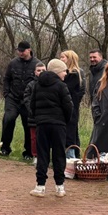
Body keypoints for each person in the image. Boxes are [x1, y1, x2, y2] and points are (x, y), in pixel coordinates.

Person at [30, 58, 73, 197]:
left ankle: (40, 186)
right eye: (64, 71)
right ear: (57, 71)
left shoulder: (37, 85)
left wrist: (38, 118)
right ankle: (60, 186)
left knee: (42, 154)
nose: (65, 73)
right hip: (58, 125)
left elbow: (32, 105)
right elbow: (68, 106)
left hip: (42, 124)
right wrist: (64, 120)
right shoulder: (61, 86)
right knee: (59, 154)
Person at [0, 42, 41, 157]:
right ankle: (5, 148)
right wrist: (6, 93)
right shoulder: (13, 63)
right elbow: (7, 79)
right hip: (13, 98)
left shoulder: (36, 64)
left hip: (27, 100)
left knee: (28, 124)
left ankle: (28, 152)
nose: (20, 53)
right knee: (8, 120)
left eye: (23, 51)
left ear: (29, 50)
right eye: (19, 50)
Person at [21, 61, 47, 160]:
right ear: (35, 72)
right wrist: (32, 110)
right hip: (33, 116)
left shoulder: (50, 83)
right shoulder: (31, 85)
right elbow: (27, 99)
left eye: (43, 70)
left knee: (45, 138)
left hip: (46, 115)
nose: (41, 72)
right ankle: (35, 156)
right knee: (34, 138)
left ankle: (45, 156)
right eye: (39, 70)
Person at [60, 50, 84, 151]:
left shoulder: (73, 74)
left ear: (69, 59)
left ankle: (70, 155)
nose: (61, 59)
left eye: (63, 57)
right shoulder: (67, 73)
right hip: (68, 106)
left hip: (71, 106)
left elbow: (66, 89)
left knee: (70, 132)